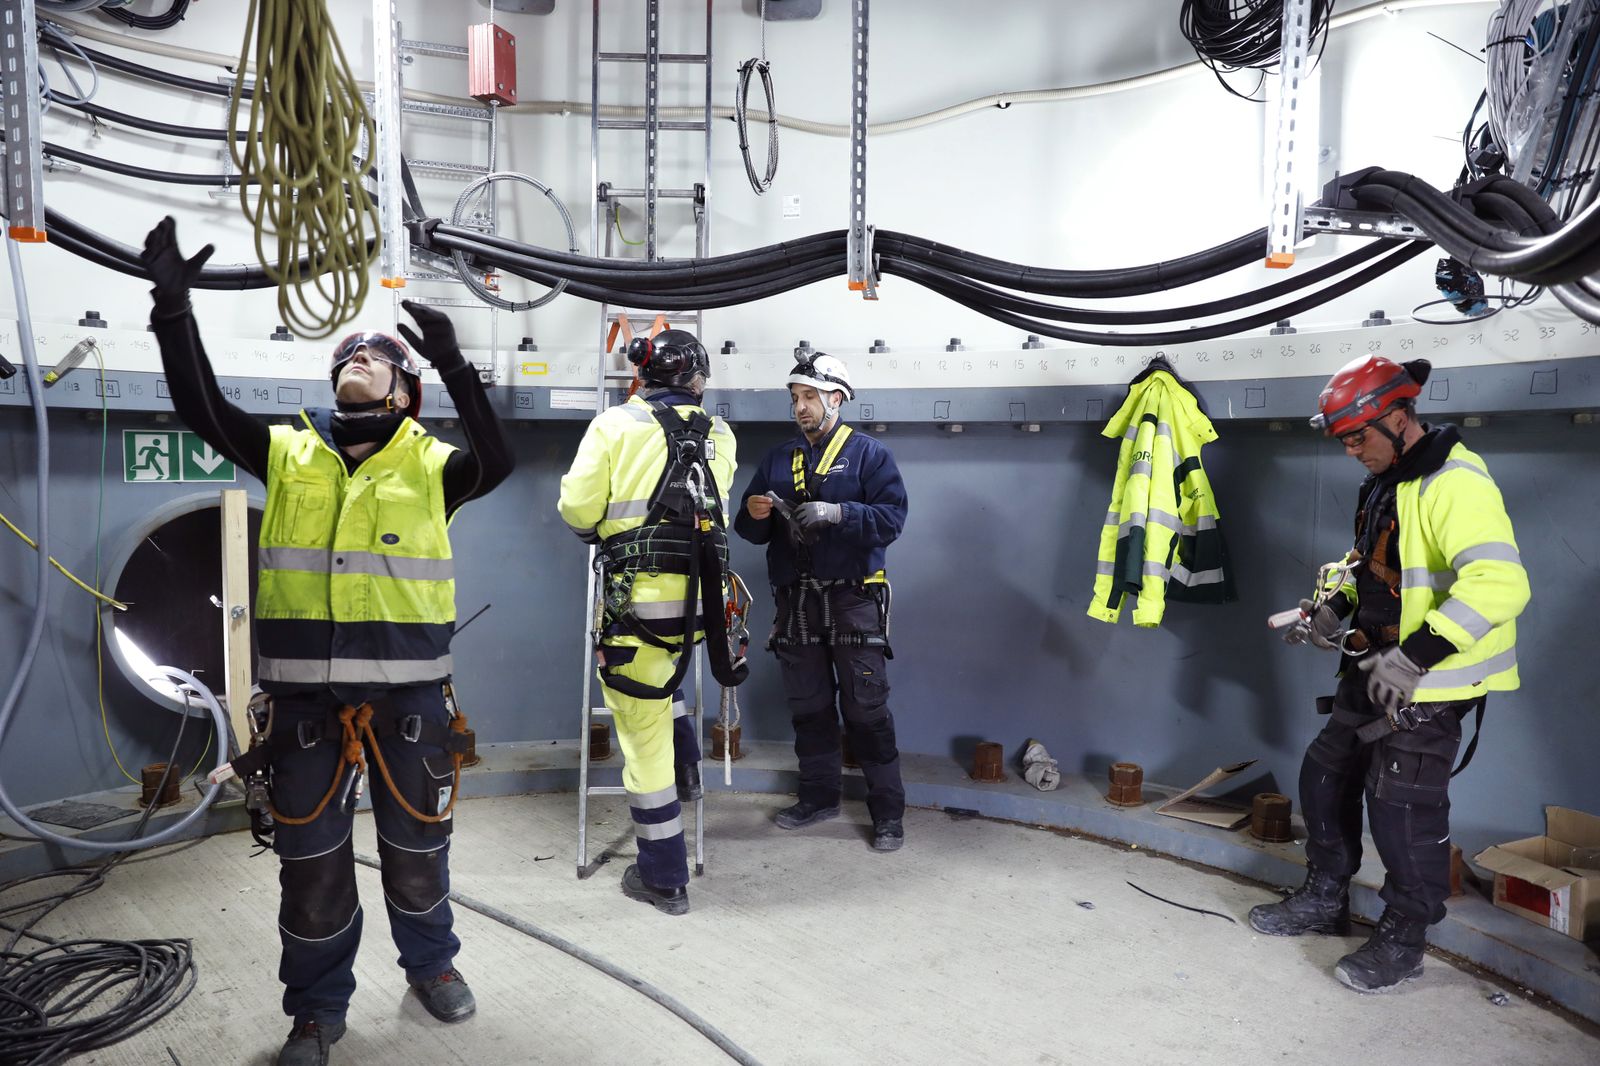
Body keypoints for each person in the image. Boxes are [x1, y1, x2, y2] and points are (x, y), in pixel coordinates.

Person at [140, 217, 514, 1066]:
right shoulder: (287, 450)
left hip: (410, 700)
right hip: (304, 702)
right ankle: (315, 1009)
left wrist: (458, 362)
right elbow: (200, 407)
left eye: (378, 356)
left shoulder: (434, 464)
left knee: (417, 849)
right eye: (346, 355)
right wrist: (172, 307)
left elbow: (501, 461)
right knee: (309, 865)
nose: (357, 360)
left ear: (405, 389)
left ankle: (432, 967)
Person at [1253, 355, 1528, 993]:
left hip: (1430, 682)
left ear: (1400, 418)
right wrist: (1333, 609)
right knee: (1326, 776)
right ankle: (1326, 897)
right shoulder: (1388, 480)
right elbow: (1374, 567)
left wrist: (1414, 658)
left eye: (1359, 435)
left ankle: (1406, 935)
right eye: (1343, 439)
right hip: (1374, 666)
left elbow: (1500, 585)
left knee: (1401, 809)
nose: (1352, 450)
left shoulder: (1454, 482)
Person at [557, 329, 738, 915]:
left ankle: (663, 876)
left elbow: (578, 509)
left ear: (643, 375)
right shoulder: (722, 434)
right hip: (700, 613)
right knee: (669, 679)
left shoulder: (613, 426)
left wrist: (605, 535)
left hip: (635, 614)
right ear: (696, 378)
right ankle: (688, 768)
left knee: (642, 742)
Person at [733, 352, 909, 851]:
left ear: (837, 398)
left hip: (853, 600)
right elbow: (750, 532)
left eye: (810, 397)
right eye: (795, 398)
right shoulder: (775, 460)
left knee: (867, 709)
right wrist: (753, 512)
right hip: (796, 604)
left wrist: (839, 513)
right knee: (809, 709)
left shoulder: (870, 456)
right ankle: (818, 797)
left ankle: (888, 814)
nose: (801, 407)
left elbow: (892, 521)